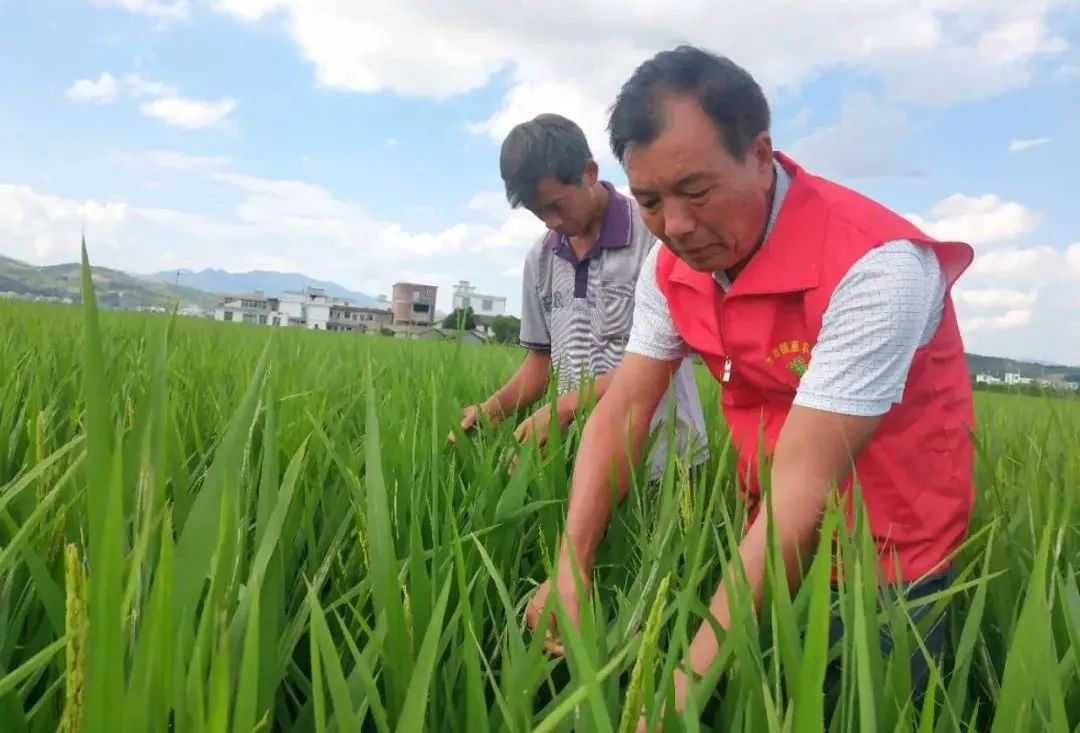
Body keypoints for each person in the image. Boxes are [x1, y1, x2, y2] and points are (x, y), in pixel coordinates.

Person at [524, 47, 976, 721]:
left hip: (890, 561)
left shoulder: (875, 267)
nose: (674, 226)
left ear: (761, 155)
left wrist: (678, 687)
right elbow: (622, 411)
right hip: (759, 542)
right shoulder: (672, 268)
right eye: (648, 201)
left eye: (696, 192)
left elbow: (804, 485)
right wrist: (570, 563)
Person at [450, 112, 708, 490]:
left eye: (557, 205)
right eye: (539, 213)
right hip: (579, 461)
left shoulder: (654, 237)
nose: (551, 221)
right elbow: (540, 364)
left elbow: (665, 356)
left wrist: (567, 405)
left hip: (666, 462)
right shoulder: (540, 259)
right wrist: (487, 414)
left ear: (589, 172)